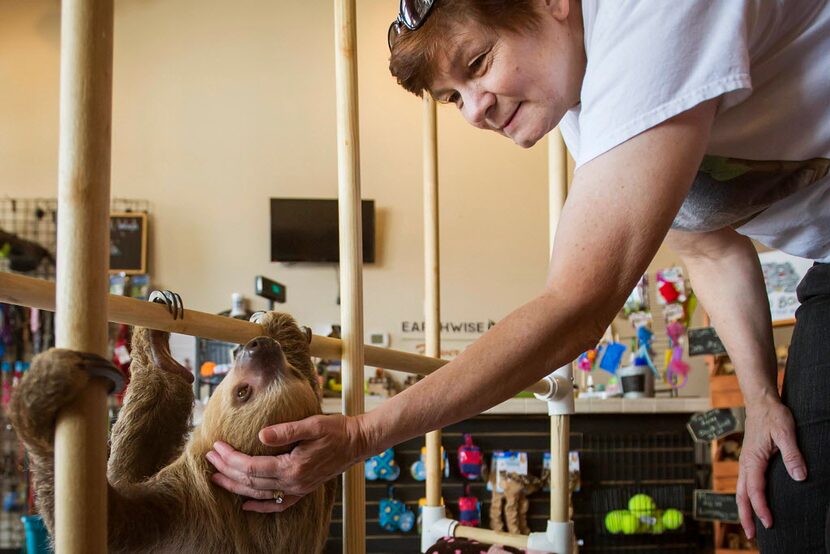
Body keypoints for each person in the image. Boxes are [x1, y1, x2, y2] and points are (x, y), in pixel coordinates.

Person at [206, 1, 830, 551]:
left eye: (477, 62)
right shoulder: (590, 119)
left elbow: (579, 306)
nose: (475, 110)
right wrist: (760, 400)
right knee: (791, 505)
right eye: (453, 97)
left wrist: (364, 432)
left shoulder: (649, 15)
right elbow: (709, 249)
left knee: (803, 514)